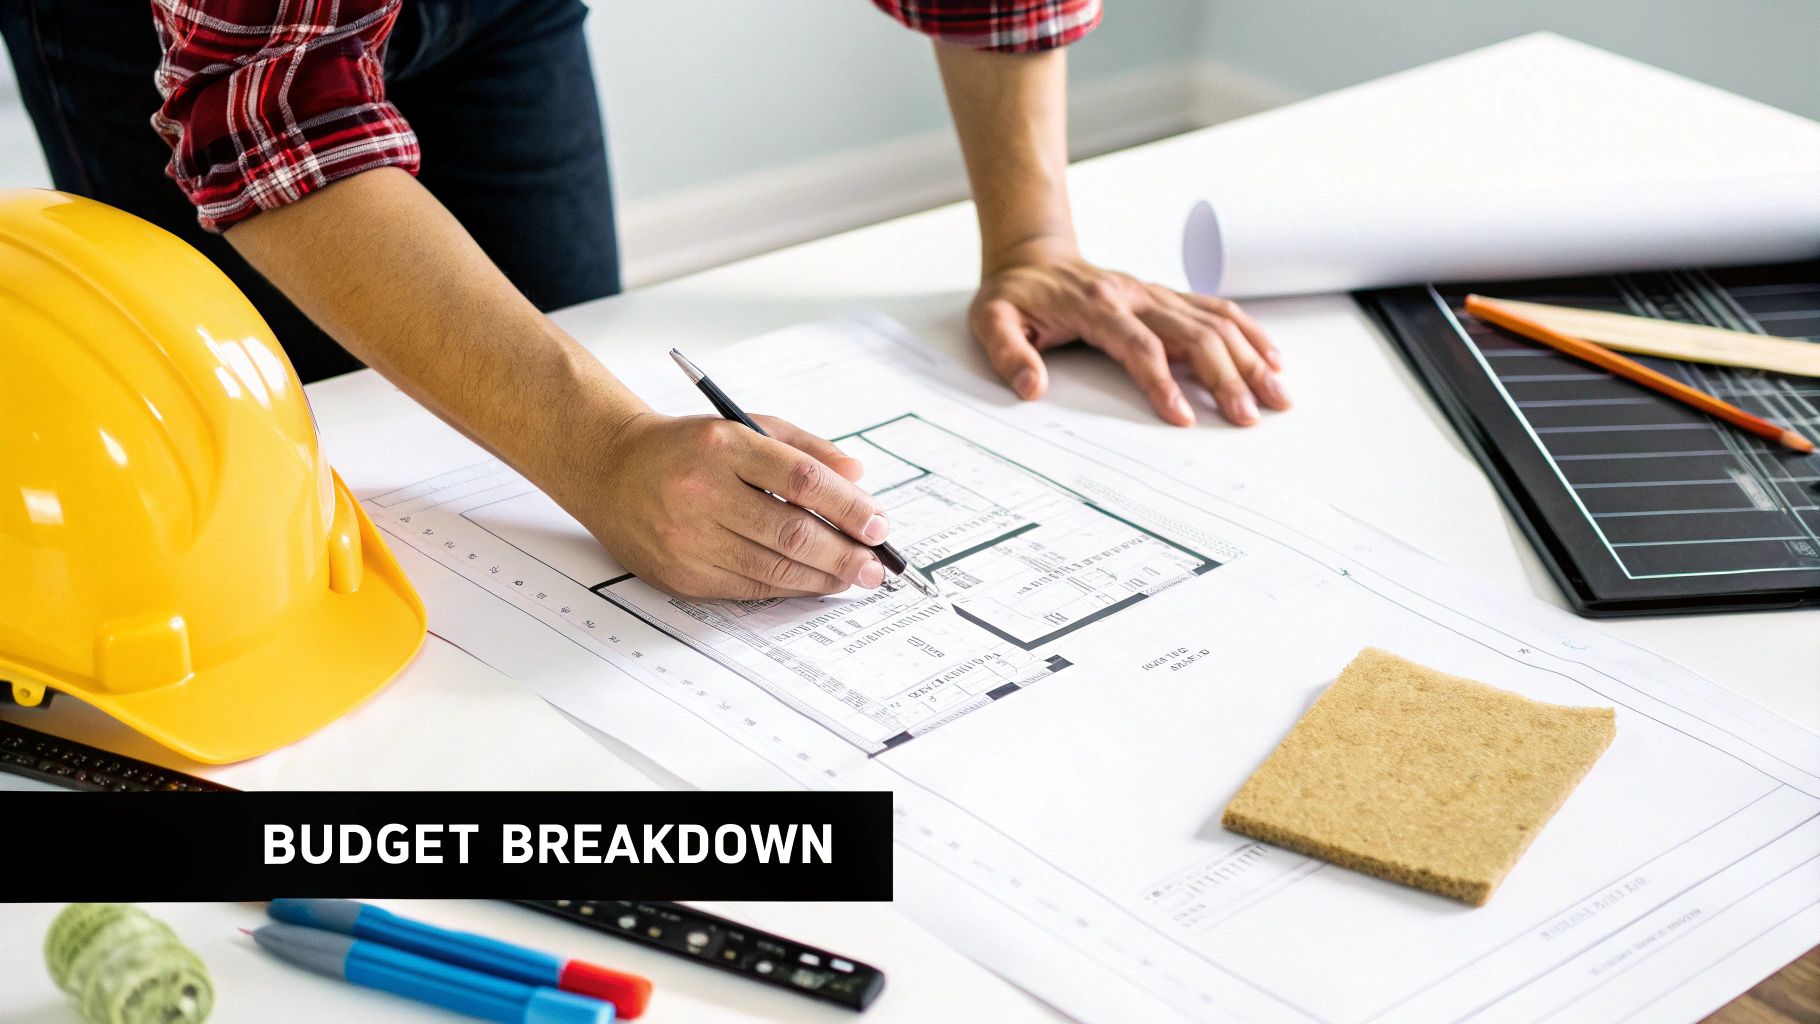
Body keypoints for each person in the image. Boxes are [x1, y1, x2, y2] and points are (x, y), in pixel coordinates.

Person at [1, 0, 1286, 602]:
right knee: (280, 504)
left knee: (560, 478)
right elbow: (271, 107)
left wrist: (1034, 236)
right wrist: (600, 448)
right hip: (189, 29)